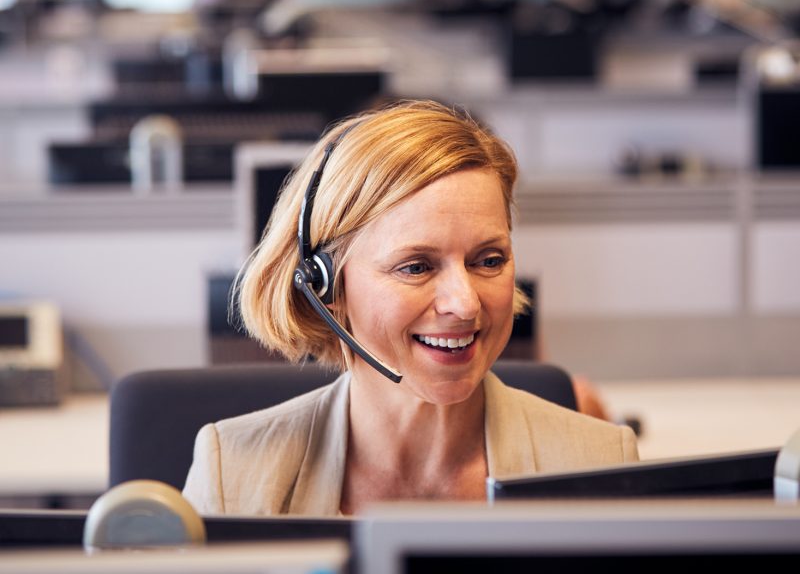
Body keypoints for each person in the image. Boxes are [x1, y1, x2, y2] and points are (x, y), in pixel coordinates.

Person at [183, 100, 638, 516]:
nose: (464, 303)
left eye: (489, 260)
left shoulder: (599, 462)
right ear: (327, 287)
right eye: (416, 267)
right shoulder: (233, 477)